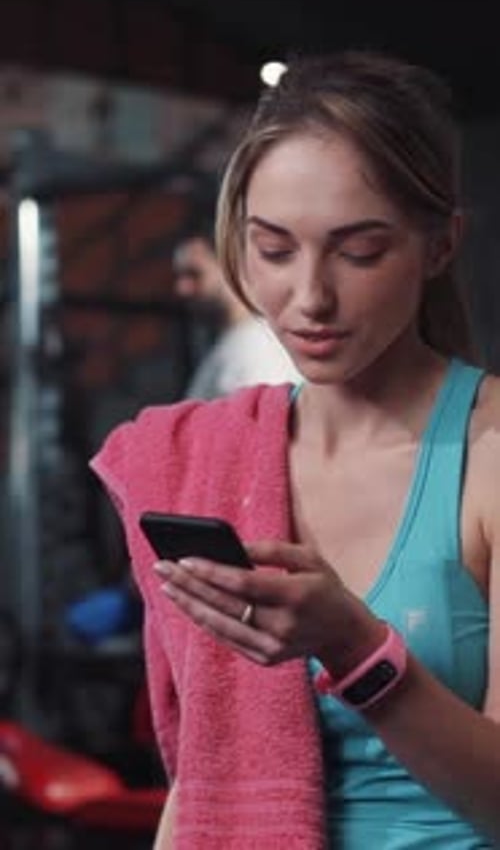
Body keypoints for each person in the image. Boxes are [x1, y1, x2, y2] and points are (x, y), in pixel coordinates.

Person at [90, 51, 500, 849]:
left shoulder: (487, 454)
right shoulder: (201, 458)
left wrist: (358, 651)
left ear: (441, 246)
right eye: (274, 250)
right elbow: (203, 782)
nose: (310, 297)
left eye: (360, 251)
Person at [172, 227, 302, 397]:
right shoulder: (236, 342)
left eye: (194, 274)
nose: (182, 288)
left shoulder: (255, 347)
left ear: (231, 269)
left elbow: (266, 412)